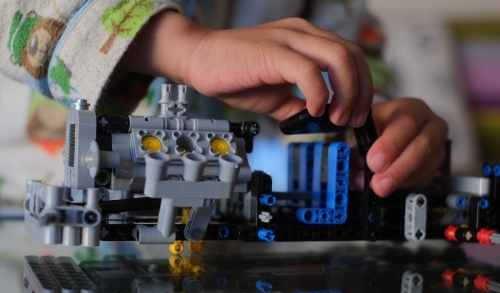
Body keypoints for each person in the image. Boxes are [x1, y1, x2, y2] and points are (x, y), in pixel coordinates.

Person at [0, 0, 447, 198]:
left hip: (227, 247)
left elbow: (348, 52)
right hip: (32, 213)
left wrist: (371, 124)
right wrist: (187, 48)